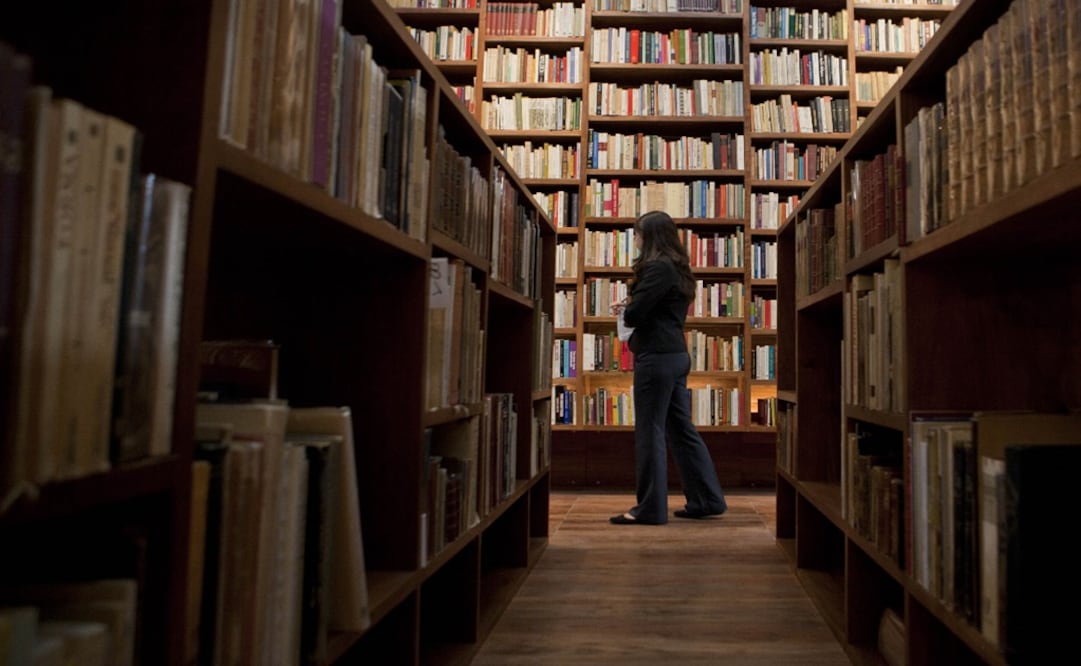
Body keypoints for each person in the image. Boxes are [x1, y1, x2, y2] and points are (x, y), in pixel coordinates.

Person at [609, 210, 728, 525]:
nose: (635, 241)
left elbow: (636, 316)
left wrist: (628, 307)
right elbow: (656, 309)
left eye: (637, 235)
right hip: (675, 355)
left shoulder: (657, 268)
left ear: (649, 237)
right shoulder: (677, 267)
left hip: (656, 357)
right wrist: (634, 305)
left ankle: (649, 508)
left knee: (651, 431)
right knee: (681, 430)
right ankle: (707, 499)